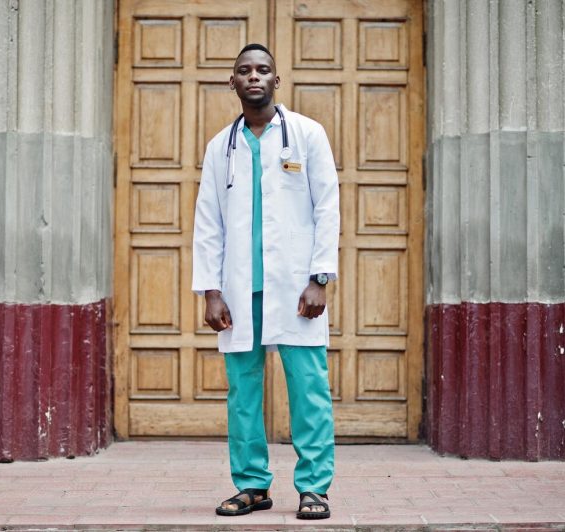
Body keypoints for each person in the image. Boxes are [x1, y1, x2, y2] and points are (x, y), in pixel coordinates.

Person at [191, 43, 340, 520]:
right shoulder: (221, 147)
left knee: (309, 389)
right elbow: (208, 222)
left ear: (277, 80)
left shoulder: (307, 135)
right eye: (244, 71)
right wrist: (211, 291)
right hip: (240, 291)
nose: (254, 77)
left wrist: (319, 278)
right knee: (243, 394)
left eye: (263, 70)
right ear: (231, 82)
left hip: (296, 289)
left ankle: (314, 487)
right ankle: (253, 485)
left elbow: (327, 208)